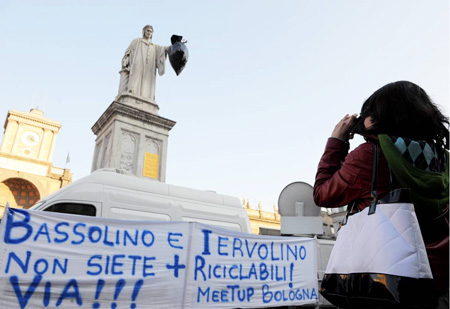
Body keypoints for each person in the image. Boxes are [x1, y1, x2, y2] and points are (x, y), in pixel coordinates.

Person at [314, 81, 449, 308]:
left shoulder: (370, 155)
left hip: (384, 281)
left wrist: (336, 141)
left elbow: (322, 194)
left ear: (377, 118)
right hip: (437, 281)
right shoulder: (444, 159)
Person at [118, 25, 169, 101]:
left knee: (147, 80)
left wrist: (176, 45)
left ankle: (146, 97)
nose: (149, 33)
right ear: (143, 31)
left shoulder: (154, 46)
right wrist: (125, 61)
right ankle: (132, 91)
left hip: (149, 67)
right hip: (137, 63)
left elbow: (164, 49)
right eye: (148, 30)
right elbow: (128, 52)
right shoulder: (137, 41)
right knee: (136, 76)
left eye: (151, 32)